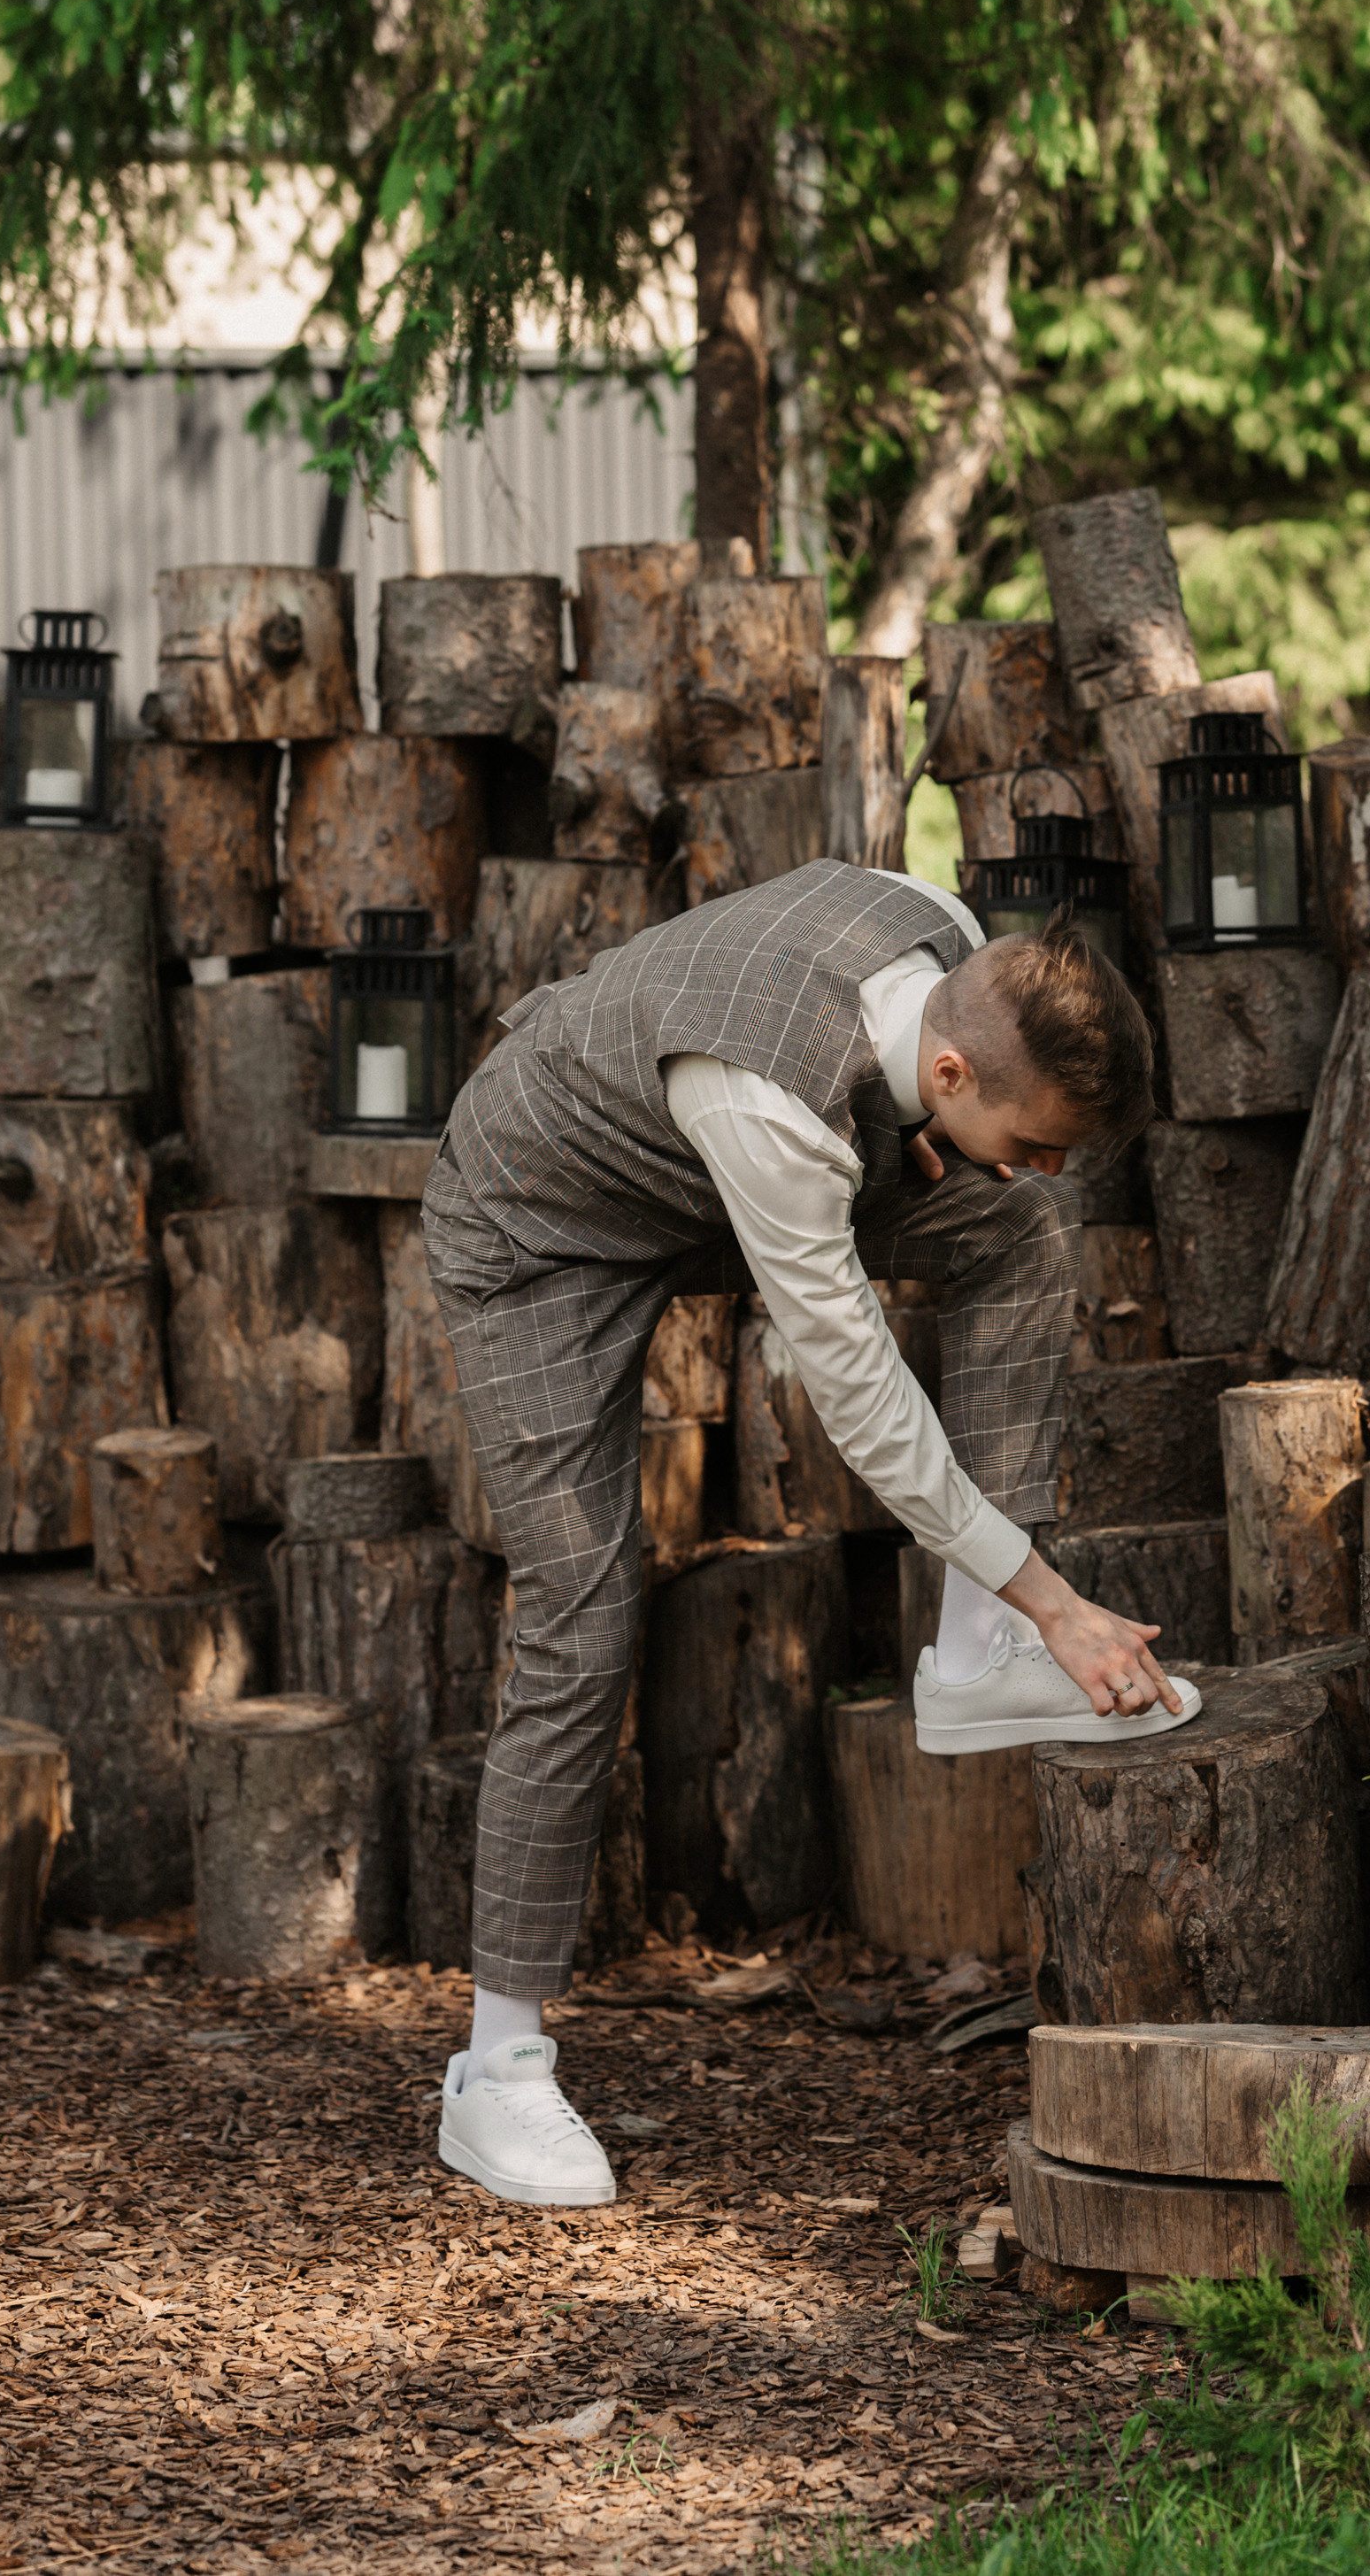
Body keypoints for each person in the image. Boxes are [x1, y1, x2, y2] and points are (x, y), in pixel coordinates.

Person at [424, 856, 1198, 2208]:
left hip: (700, 1176)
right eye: (1039, 1131)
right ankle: (497, 2076)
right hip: (541, 1221)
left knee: (1020, 1230)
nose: (1055, 1162)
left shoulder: (946, 937)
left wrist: (1006, 1607)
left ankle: (965, 1661)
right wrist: (1056, 1602)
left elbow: (969, 1175)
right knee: (583, 1617)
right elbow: (863, 1402)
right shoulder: (768, 1102)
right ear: (952, 1074)